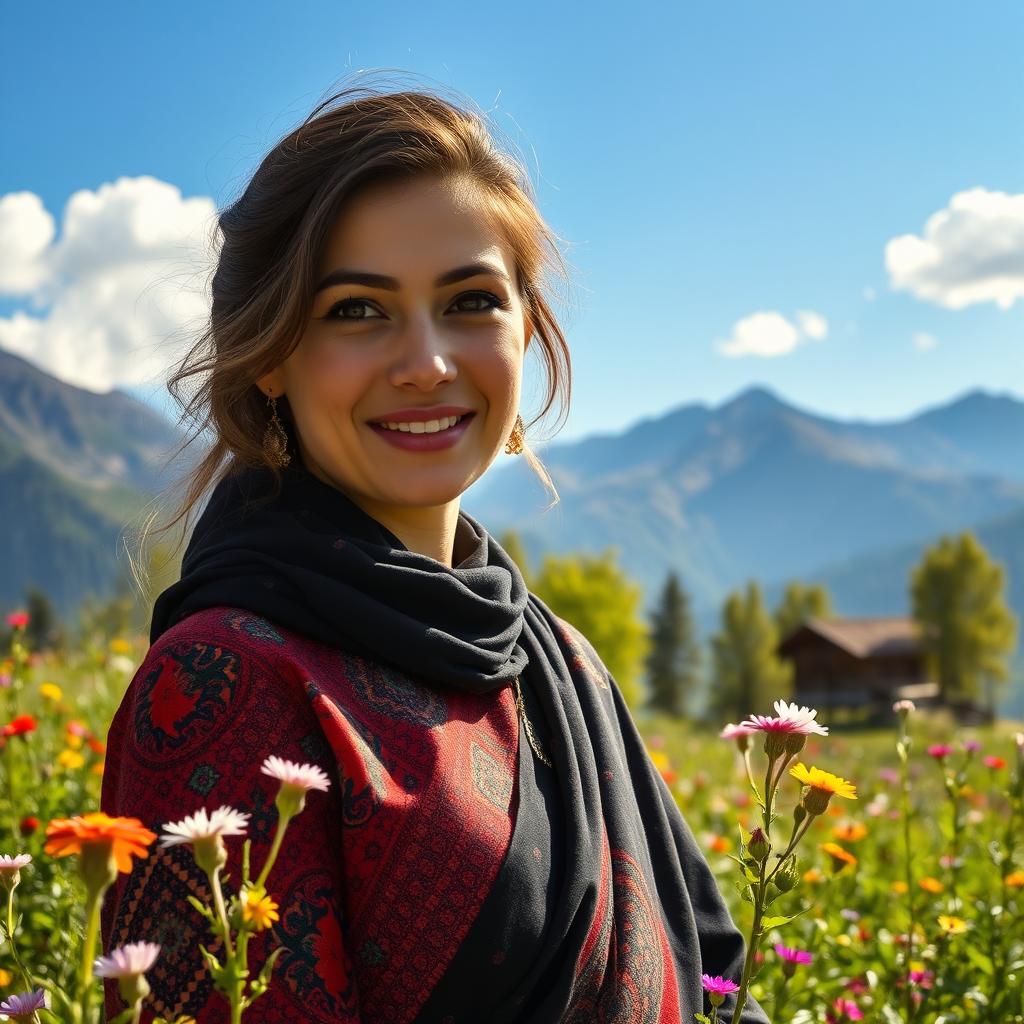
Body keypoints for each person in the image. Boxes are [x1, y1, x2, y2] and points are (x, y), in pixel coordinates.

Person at [100, 80, 770, 1024]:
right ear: (270, 355)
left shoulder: (559, 661)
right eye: (356, 311)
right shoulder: (223, 682)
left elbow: (715, 980)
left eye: (471, 301)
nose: (427, 363)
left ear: (526, 329)